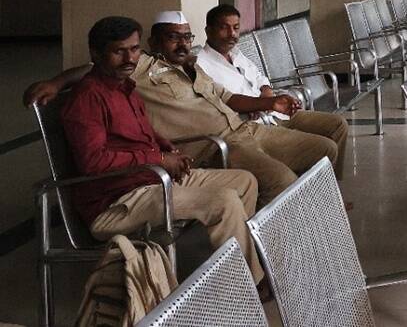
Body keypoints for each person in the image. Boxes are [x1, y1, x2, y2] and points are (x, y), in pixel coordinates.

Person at [24, 11, 339, 207]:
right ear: (155, 40)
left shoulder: (192, 67)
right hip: (215, 146)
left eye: (186, 36)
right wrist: (56, 82)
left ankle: (319, 212)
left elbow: (227, 98)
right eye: (173, 38)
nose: (183, 44)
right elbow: (92, 68)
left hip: (245, 129)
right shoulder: (140, 67)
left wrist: (269, 102)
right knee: (279, 179)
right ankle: (274, 258)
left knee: (325, 147)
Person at [58, 16, 264, 284]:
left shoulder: (127, 87)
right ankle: (250, 283)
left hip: (150, 179)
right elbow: (93, 162)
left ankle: (231, 265)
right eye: (118, 51)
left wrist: (165, 147)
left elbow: (140, 133)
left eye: (133, 49)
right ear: (96, 54)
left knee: (244, 180)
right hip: (118, 201)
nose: (129, 59)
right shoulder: (88, 98)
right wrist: (158, 158)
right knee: (223, 201)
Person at [197, 4, 349, 178]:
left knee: (338, 125)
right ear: (208, 31)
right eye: (224, 28)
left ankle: (331, 187)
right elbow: (218, 101)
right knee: (323, 147)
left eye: (236, 28)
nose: (232, 34)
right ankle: (310, 193)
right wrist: (257, 105)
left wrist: (267, 91)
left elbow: (259, 77)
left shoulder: (236, 53)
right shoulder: (201, 64)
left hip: (275, 113)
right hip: (252, 124)